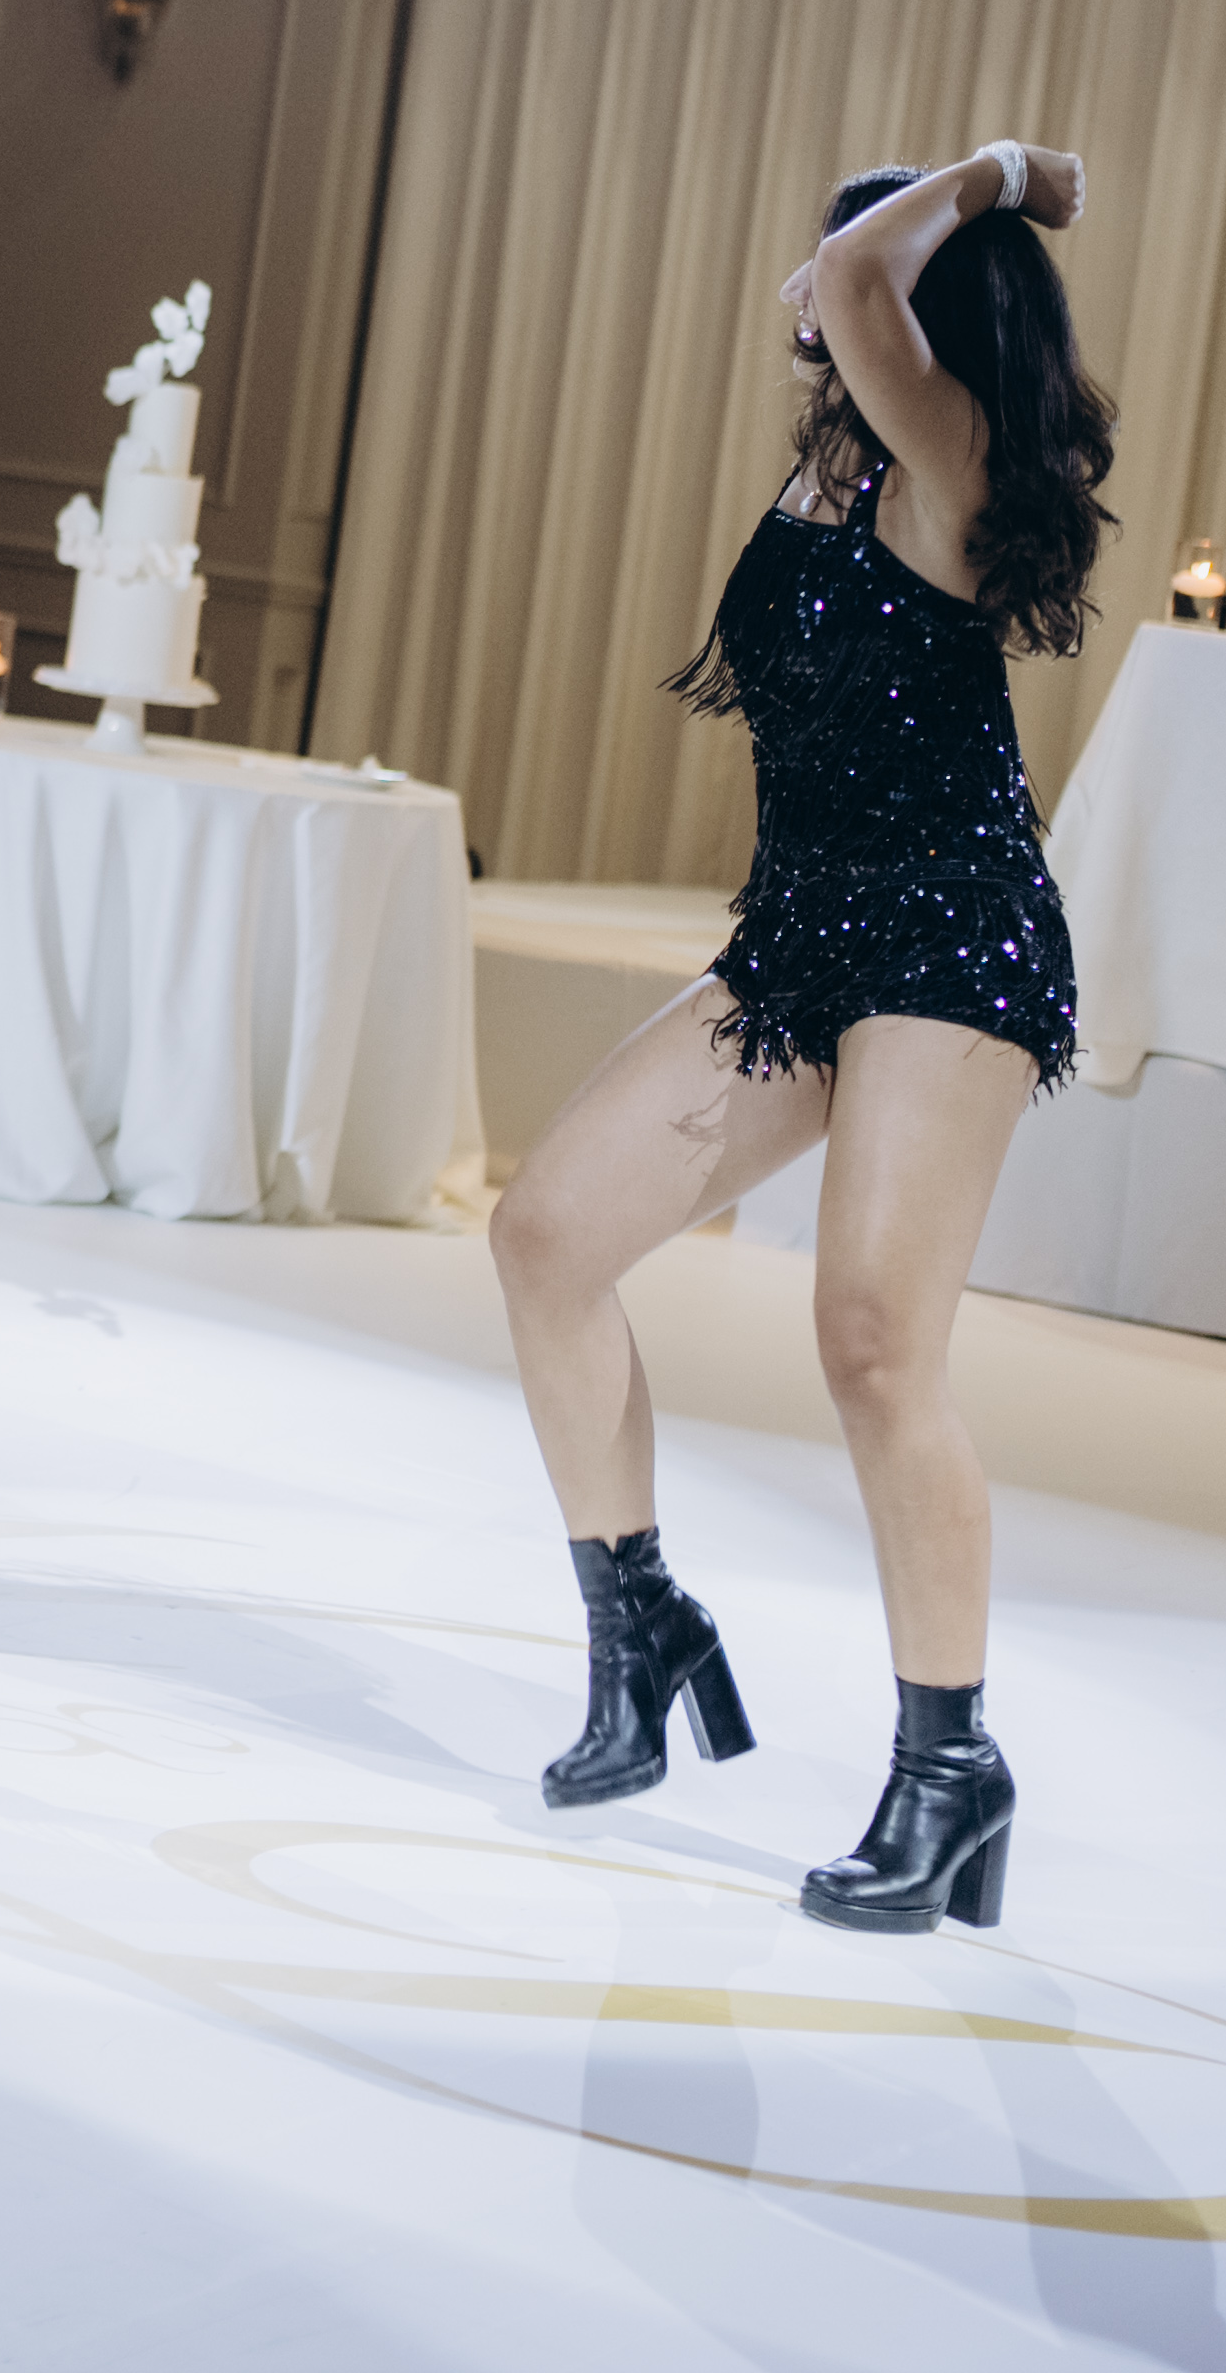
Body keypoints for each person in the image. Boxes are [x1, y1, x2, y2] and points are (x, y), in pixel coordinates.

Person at [488, 141, 1110, 1936]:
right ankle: (642, 1623)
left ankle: (949, 1764)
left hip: (951, 935)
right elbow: (836, 290)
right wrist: (863, 262)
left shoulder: (954, 452)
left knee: (873, 1344)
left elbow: (845, 282)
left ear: (922, 299)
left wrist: (1001, 173)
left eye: (854, 262)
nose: (816, 283)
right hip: (806, 934)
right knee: (545, 1237)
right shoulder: (841, 453)